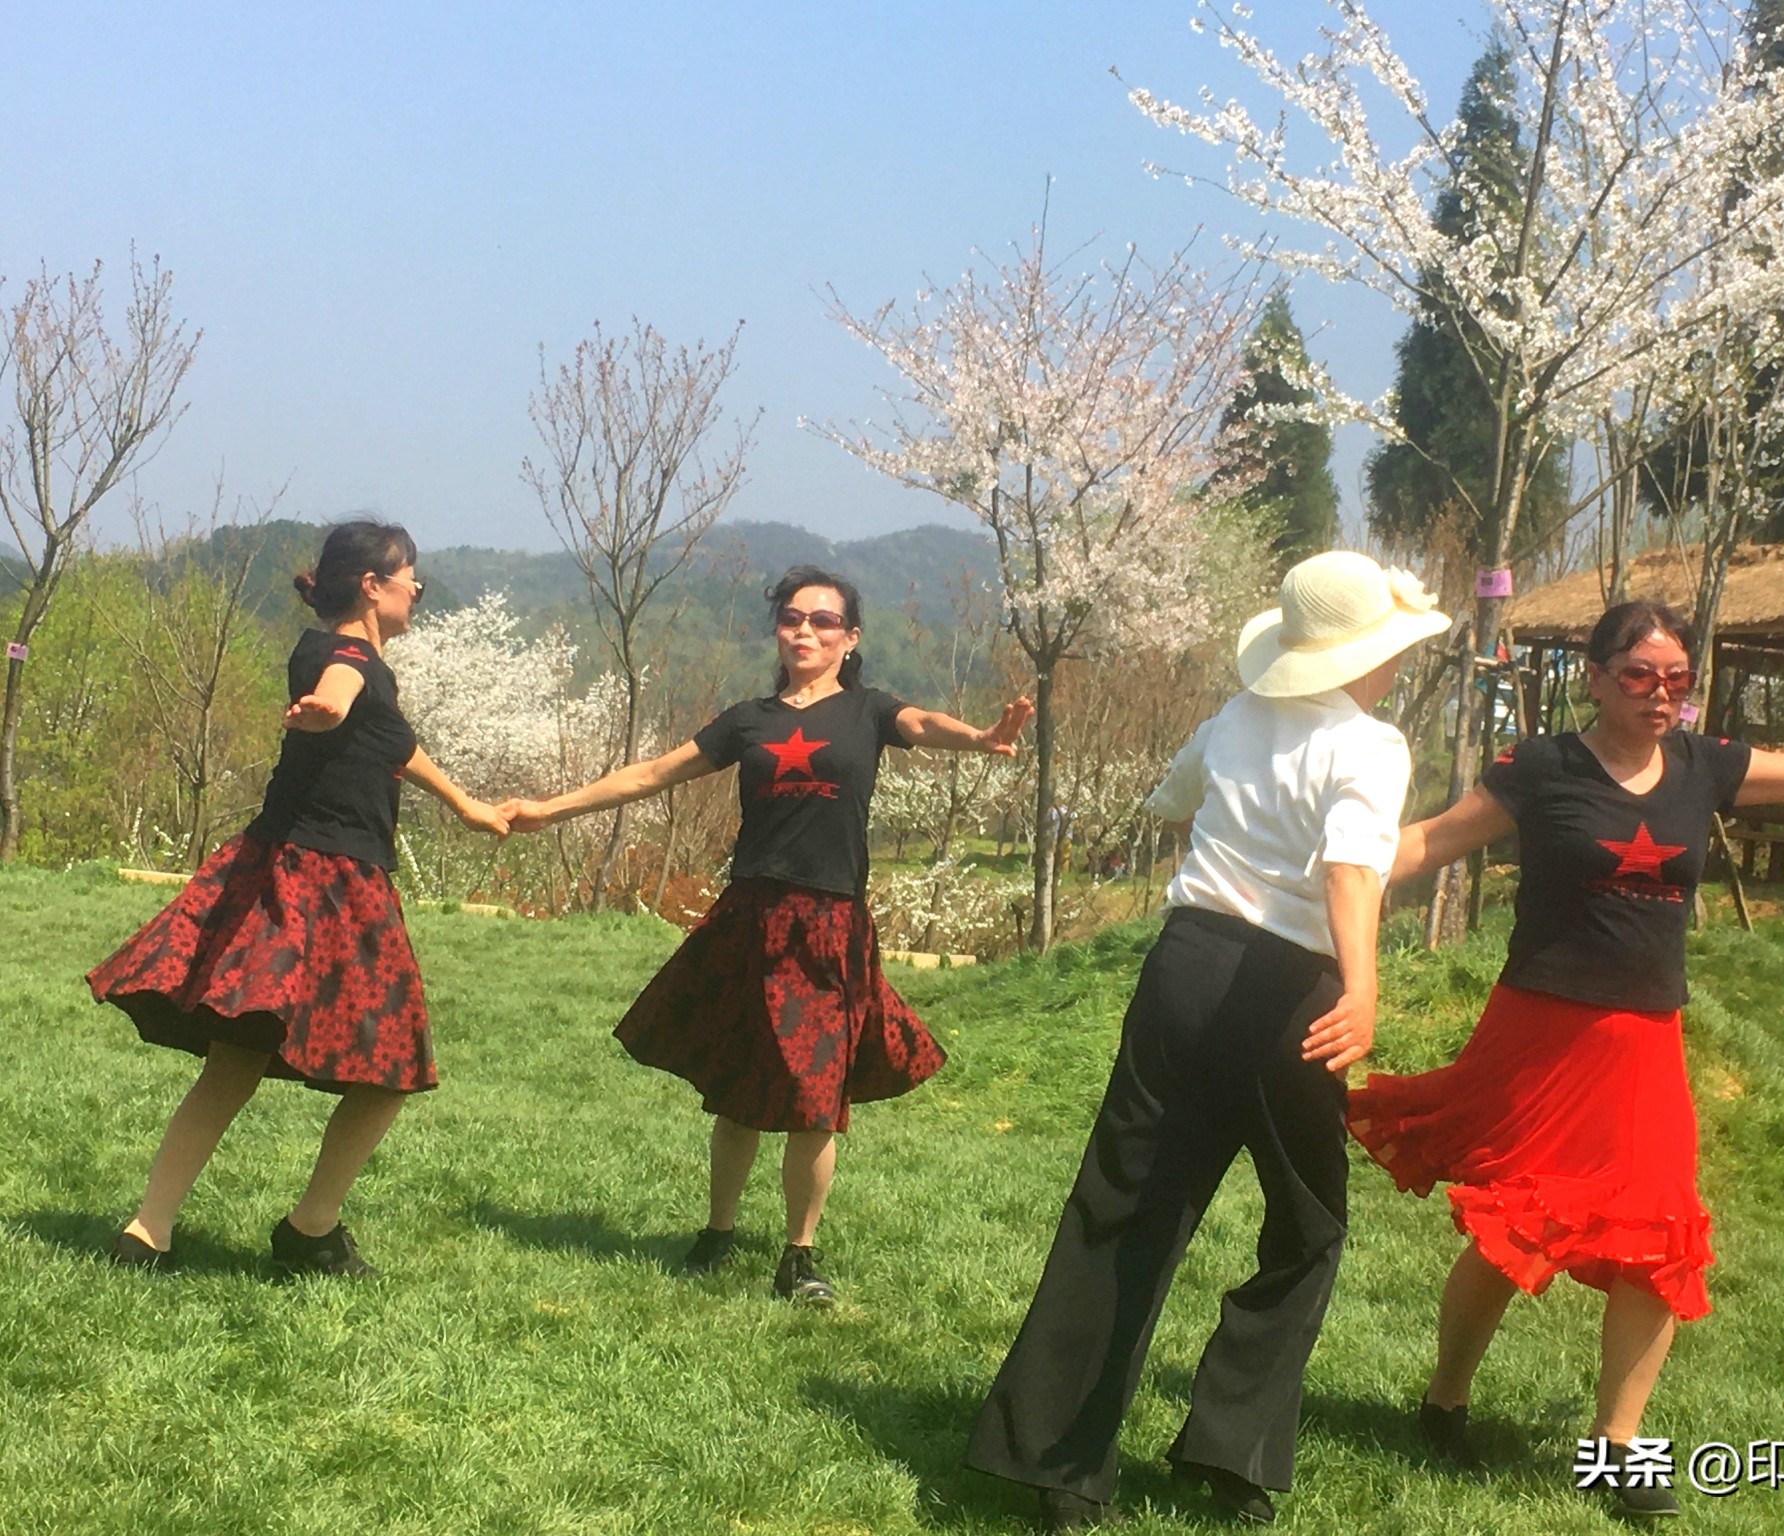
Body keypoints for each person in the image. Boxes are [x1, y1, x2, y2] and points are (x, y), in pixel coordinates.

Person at [1348, 599, 1784, 1521]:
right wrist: (1317, 872)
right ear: (1596, 678)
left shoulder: (1701, 765)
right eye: (1640, 675)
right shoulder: (1543, 766)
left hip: (1645, 1044)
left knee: (1658, 1235)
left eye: (1677, 678)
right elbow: (1429, 843)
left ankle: (1617, 1452)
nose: (1661, 694)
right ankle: (1445, 1401)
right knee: (1512, 1229)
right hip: (1539, 1037)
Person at [966, 551, 1450, 1530]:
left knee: (1125, 1206)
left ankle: (1056, 1466)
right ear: (1367, 655)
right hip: (1290, 997)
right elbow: (1352, 873)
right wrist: (1361, 989)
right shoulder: (1368, 745)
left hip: (1183, 969)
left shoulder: (1232, 720)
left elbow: (1172, 803)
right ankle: (1229, 1458)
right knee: (1307, 1225)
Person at [501, 565, 1031, 1307]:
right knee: (738, 1086)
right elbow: (655, 773)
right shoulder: (748, 720)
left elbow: (924, 724)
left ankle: (799, 1255)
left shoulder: (870, 711)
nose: (804, 631)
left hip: (830, 927)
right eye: (792, 619)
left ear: (850, 639)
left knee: (817, 1096)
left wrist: (980, 737)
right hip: (752, 919)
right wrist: (550, 810)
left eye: (822, 621)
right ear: (778, 631)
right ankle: (717, 1233)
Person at [89, 521, 509, 1277]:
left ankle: (152, 1231)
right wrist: (327, 707)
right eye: (409, 574)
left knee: (240, 1062)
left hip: (295, 873)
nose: (419, 586)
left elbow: (392, 740)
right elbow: (342, 687)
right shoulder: (341, 655)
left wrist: (466, 803)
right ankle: (304, 1231)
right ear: (372, 587)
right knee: (382, 1072)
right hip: (322, 885)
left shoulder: (366, 667)